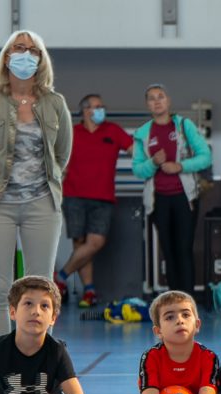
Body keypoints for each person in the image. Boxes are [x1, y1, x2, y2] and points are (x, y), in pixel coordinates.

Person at [0, 30, 72, 342]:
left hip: (42, 204)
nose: (25, 54)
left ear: (40, 59)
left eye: (32, 49)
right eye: (19, 48)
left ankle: (40, 361)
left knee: (41, 288)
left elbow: (61, 155)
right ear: (7, 57)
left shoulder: (55, 103)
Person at [131, 83, 212, 297]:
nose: (157, 101)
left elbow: (205, 157)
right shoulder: (143, 133)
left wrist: (180, 166)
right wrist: (153, 163)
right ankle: (173, 301)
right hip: (159, 200)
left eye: (161, 96)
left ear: (168, 101)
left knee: (184, 249)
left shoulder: (184, 126)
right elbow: (138, 170)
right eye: (151, 98)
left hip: (185, 197)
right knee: (168, 251)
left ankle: (188, 302)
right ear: (147, 104)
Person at [56, 93, 134, 308]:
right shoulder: (72, 133)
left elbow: (135, 150)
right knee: (80, 244)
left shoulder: (113, 130)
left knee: (95, 243)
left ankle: (60, 277)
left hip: (103, 197)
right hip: (74, 195)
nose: (100, 110)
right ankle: (89, 291)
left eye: (102, 105)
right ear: (85, 111)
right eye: (96, 106)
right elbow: (56, 158)